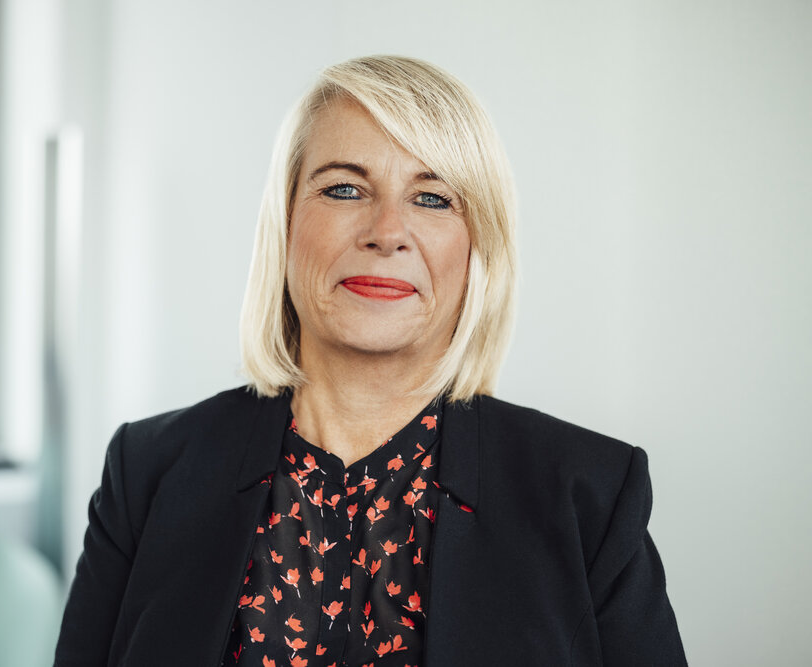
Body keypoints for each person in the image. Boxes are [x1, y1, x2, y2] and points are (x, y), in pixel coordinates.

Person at [54, 55, 687, 666]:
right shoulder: (147, 472)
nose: (386, 231)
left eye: (433, 198)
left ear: (477, 250)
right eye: (344, 188)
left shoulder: (592, 494)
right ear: (286, 224)